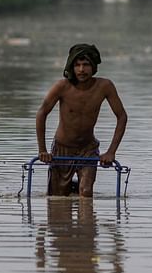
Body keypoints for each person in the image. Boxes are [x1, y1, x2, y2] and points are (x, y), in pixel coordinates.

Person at [35, 42, 128, 197]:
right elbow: (41, 113)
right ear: (71, 67)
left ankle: (84, 208)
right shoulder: (62, 86)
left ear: (93, 67)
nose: (81, 70)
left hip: (88, 149)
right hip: (62, 147)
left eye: (86, 65)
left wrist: (111, 152)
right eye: (77, 65)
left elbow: (122, 117)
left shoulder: (104, 86)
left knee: (86, 192)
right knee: (58, 197)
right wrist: (42, 150)